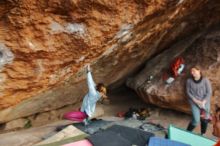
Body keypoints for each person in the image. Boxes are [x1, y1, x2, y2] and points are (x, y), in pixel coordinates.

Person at [186, 66, 212, 135]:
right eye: (191, 71)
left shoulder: (205, 80)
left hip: (204, 101)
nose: (192, 73)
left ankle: (203, 134)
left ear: (199, 71)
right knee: (196, 120)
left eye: (194, 71)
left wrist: (203, 102)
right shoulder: (189, 81)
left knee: (205, 118)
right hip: (194, 102)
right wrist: (196, 101)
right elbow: (188, 92)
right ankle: (187, 132)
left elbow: (209, 92)